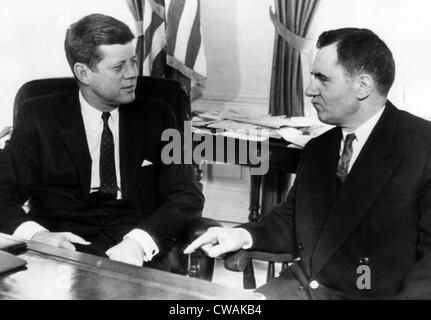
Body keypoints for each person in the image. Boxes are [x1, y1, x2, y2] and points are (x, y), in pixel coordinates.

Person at [185, 28, 431, 299]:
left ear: (363, 86)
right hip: (298, 289)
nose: (309, 90)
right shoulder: (318, 149)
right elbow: (294, 218)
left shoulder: (422, 147)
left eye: (322, 79)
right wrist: (241, 236)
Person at [0, 14, 204, 269]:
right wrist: (38, 236)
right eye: (119, 67)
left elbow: (186, 194)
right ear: (83, 72)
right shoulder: (38, 115)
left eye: (134, 62)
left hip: (136, 249)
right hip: (60, 250)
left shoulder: (161, 114)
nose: (132, 74)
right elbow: (3, 192)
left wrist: (139, 242)